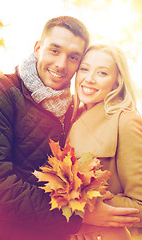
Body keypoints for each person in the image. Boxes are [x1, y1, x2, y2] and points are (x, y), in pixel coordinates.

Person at [0, 16, 90, 240]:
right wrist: (76, 217)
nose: (61, 64)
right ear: (37, 48)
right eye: (55, 50)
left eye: (73, 57)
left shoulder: (77, 109)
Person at [67, 44, 142, 240]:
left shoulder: (125, 121)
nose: (89, 78)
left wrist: (83, 209)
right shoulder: (68, 114)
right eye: (84, 69)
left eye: (102, 73)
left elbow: (140, 205)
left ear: (116, 82)